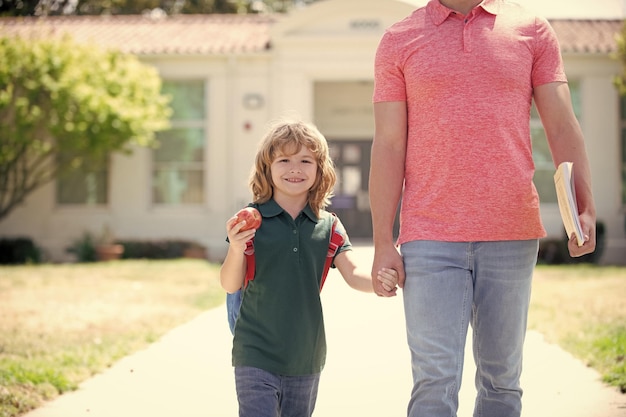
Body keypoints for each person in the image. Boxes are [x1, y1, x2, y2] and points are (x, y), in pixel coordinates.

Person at [369, 1, 597, 417]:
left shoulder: (531, 30)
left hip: (511, 232)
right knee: (434, 378)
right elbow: (388, 143)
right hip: (429, 234)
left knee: (501, 380)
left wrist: (584, 208)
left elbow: (562, 124)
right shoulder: (399, 39)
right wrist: (384, 241)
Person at [220, 119, 399, 417]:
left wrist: (380, 281)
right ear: (267, 168)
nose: (295, 168)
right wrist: (236, 247)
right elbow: (229, 284)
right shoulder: (250, 221)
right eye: (284, 160)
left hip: (306, 357)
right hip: (254, 352)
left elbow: (354, 273)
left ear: (320, 170)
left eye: (306, 160)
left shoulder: (328, 226)